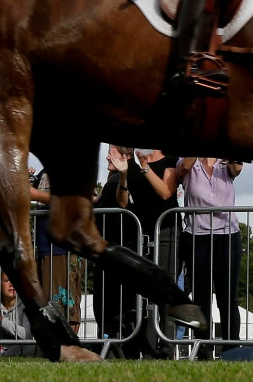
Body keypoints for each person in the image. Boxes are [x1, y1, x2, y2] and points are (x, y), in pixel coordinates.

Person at [178, 155, 242, 359]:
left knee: (227, 297)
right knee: (200, 297)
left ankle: (231, 348)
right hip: (197, 236)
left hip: (227, 236)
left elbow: (237, 168)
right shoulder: (189, 161)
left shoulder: (225, 164)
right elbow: (182, 170)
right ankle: (203, 348)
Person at [127, 147, 181, 357]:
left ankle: (167, 348)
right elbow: (124, 201)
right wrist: (123, 175)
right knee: (144, 294)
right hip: (140, 234)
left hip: (166, 231)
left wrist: (145, 168)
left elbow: (166, 192)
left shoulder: (170, 159)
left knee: (166, 290)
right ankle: (147, 350)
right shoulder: (131, 163)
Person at [93, 146, 140, 353]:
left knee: (112, 307)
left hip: (115, 252)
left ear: (126, 157)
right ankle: (112, 347)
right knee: (108, 307)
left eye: (112, 152)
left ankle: (116, 349)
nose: (106, 156)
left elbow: (122, 204)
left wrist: (122, 175)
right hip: (110, 251)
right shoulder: (112, 180)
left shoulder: (122, 179)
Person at [30, 166, 83, 334]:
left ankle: (70, 347)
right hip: (47, 246)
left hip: (63, 248)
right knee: (49, 303)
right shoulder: (46, 169)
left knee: (66, 306)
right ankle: (57, 347)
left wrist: (35, 194)